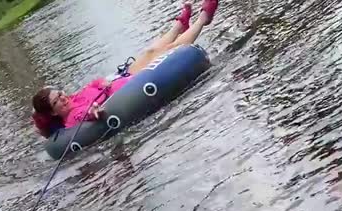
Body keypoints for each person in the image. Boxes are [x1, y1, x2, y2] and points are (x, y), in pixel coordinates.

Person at [32, 0, 219, 138]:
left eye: (60, 93)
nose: (63, 98)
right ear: (54, 112)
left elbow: (94, 83)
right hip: (133, 85)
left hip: (124, 77)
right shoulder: (73, 117)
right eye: (57, 101)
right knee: (169, 51)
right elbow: (87, 114)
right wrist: (94, 111)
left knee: (150, 51)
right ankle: (203, 18)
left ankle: (180, 24)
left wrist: (101, 82)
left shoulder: (73, 98)